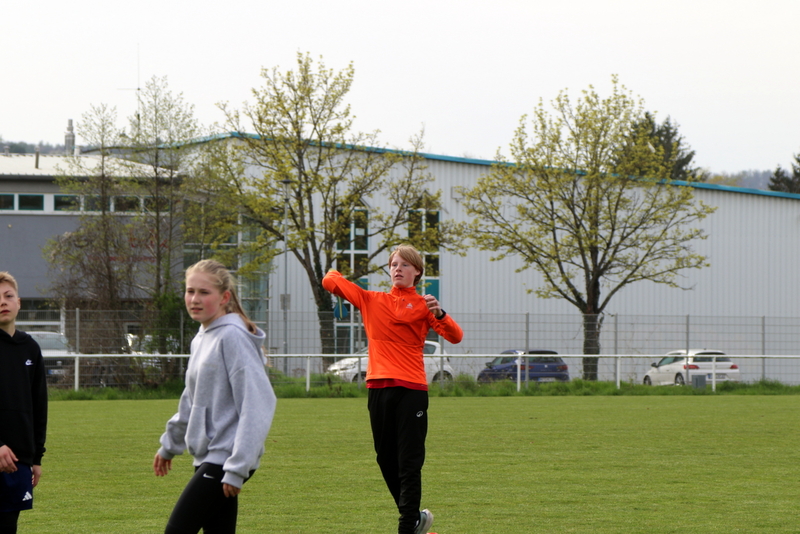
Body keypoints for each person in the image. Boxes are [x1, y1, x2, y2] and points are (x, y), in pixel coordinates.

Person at [322, 244, 463, 534]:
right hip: (378, 387)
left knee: (409, 460)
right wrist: (339, 276)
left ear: (417, 272)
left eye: (405, 265)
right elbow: (329, 280)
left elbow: (455, 336)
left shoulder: (424, 305)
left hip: (412, 389)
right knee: (385, 459)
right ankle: (414, 519)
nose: (398, 269)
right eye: (394, 264)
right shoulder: (371, 299)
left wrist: (440, 313)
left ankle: (406, 526)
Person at [153, 259, 277, 534]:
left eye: (204, 292)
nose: (194, 299)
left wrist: (237, 467)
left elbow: (258, 404)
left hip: (226, 458)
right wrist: (169, 445)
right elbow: (191, 400)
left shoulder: (232, 337)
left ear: (224, 298)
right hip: (209, 456)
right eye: (190, 291)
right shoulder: (201, 337)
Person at [0, 272, 48, 534]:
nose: (2, 302)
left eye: (8, 296)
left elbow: (39, 407)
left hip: (18, 461)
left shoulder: (30, 348)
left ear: (18, 302)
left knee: (9, 525)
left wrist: (36, 458)